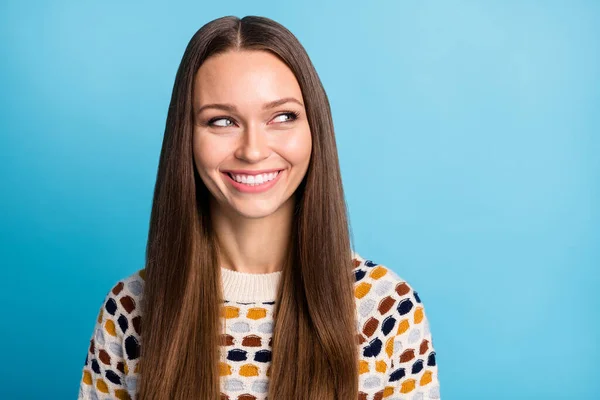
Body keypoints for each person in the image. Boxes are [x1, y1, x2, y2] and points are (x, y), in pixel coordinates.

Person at [77, 15, 440, 400]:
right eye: (221, 121)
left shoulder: (385, 310)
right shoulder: (131, 310)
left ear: (315, 127)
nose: (253, 150)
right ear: (186, 137)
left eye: (282, 117)